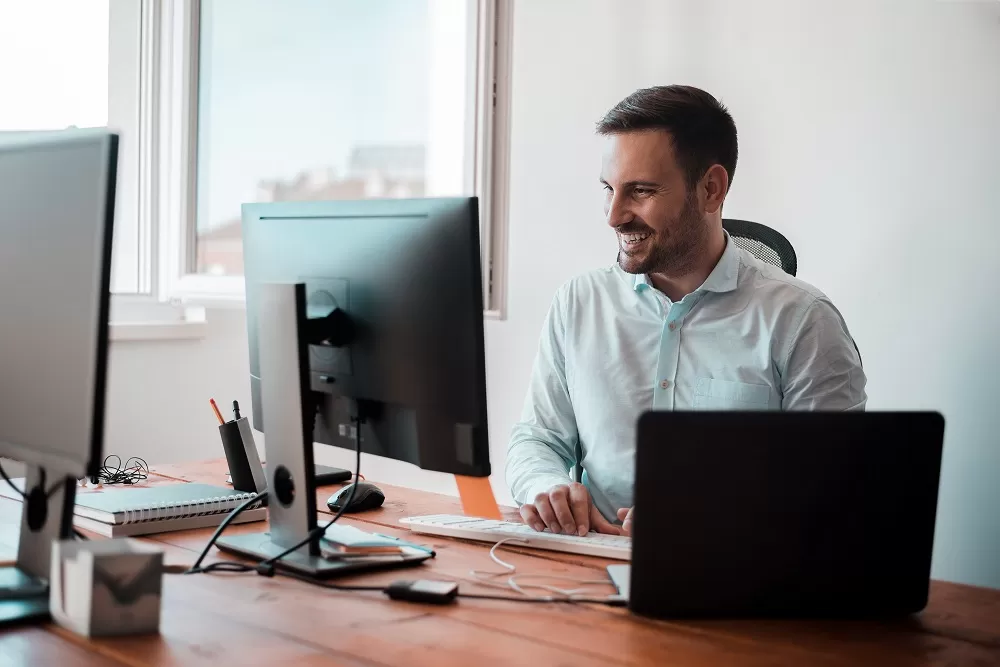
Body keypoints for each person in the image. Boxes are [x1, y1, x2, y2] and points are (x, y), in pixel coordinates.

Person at [506, 85, 866, 538]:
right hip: (589, 564)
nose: (614, 216)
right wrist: (546, 484)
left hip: (738, 578)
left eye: (640, 191)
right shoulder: (578, 303)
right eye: (609, 189)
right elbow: (536, 439)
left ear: (711, 189)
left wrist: (714, 512)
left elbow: (836, 487)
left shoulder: (802, 321)